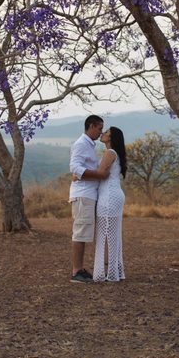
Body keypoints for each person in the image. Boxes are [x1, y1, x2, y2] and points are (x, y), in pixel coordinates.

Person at [69, 114, 109, 284]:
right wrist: (99, 175)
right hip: (83, 194)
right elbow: (75, 167)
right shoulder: (81, 144)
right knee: (80, 233)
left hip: (88, 194)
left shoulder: (89, 145)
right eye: (99, 129)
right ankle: (76, 271)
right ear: (91, 126)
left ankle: (80, 269)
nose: (100, 133)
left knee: (85, 233)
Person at [94, 126, 127, 282]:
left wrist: (78, 175)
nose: (103, 133)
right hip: (114, 195)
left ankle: (107, 272)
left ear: (112, 138)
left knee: (105, 235)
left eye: (106, 132)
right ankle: (114, 271)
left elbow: (99, 173)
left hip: (109, 196)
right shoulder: (115, 154)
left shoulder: (110, 153)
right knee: (113, 235)